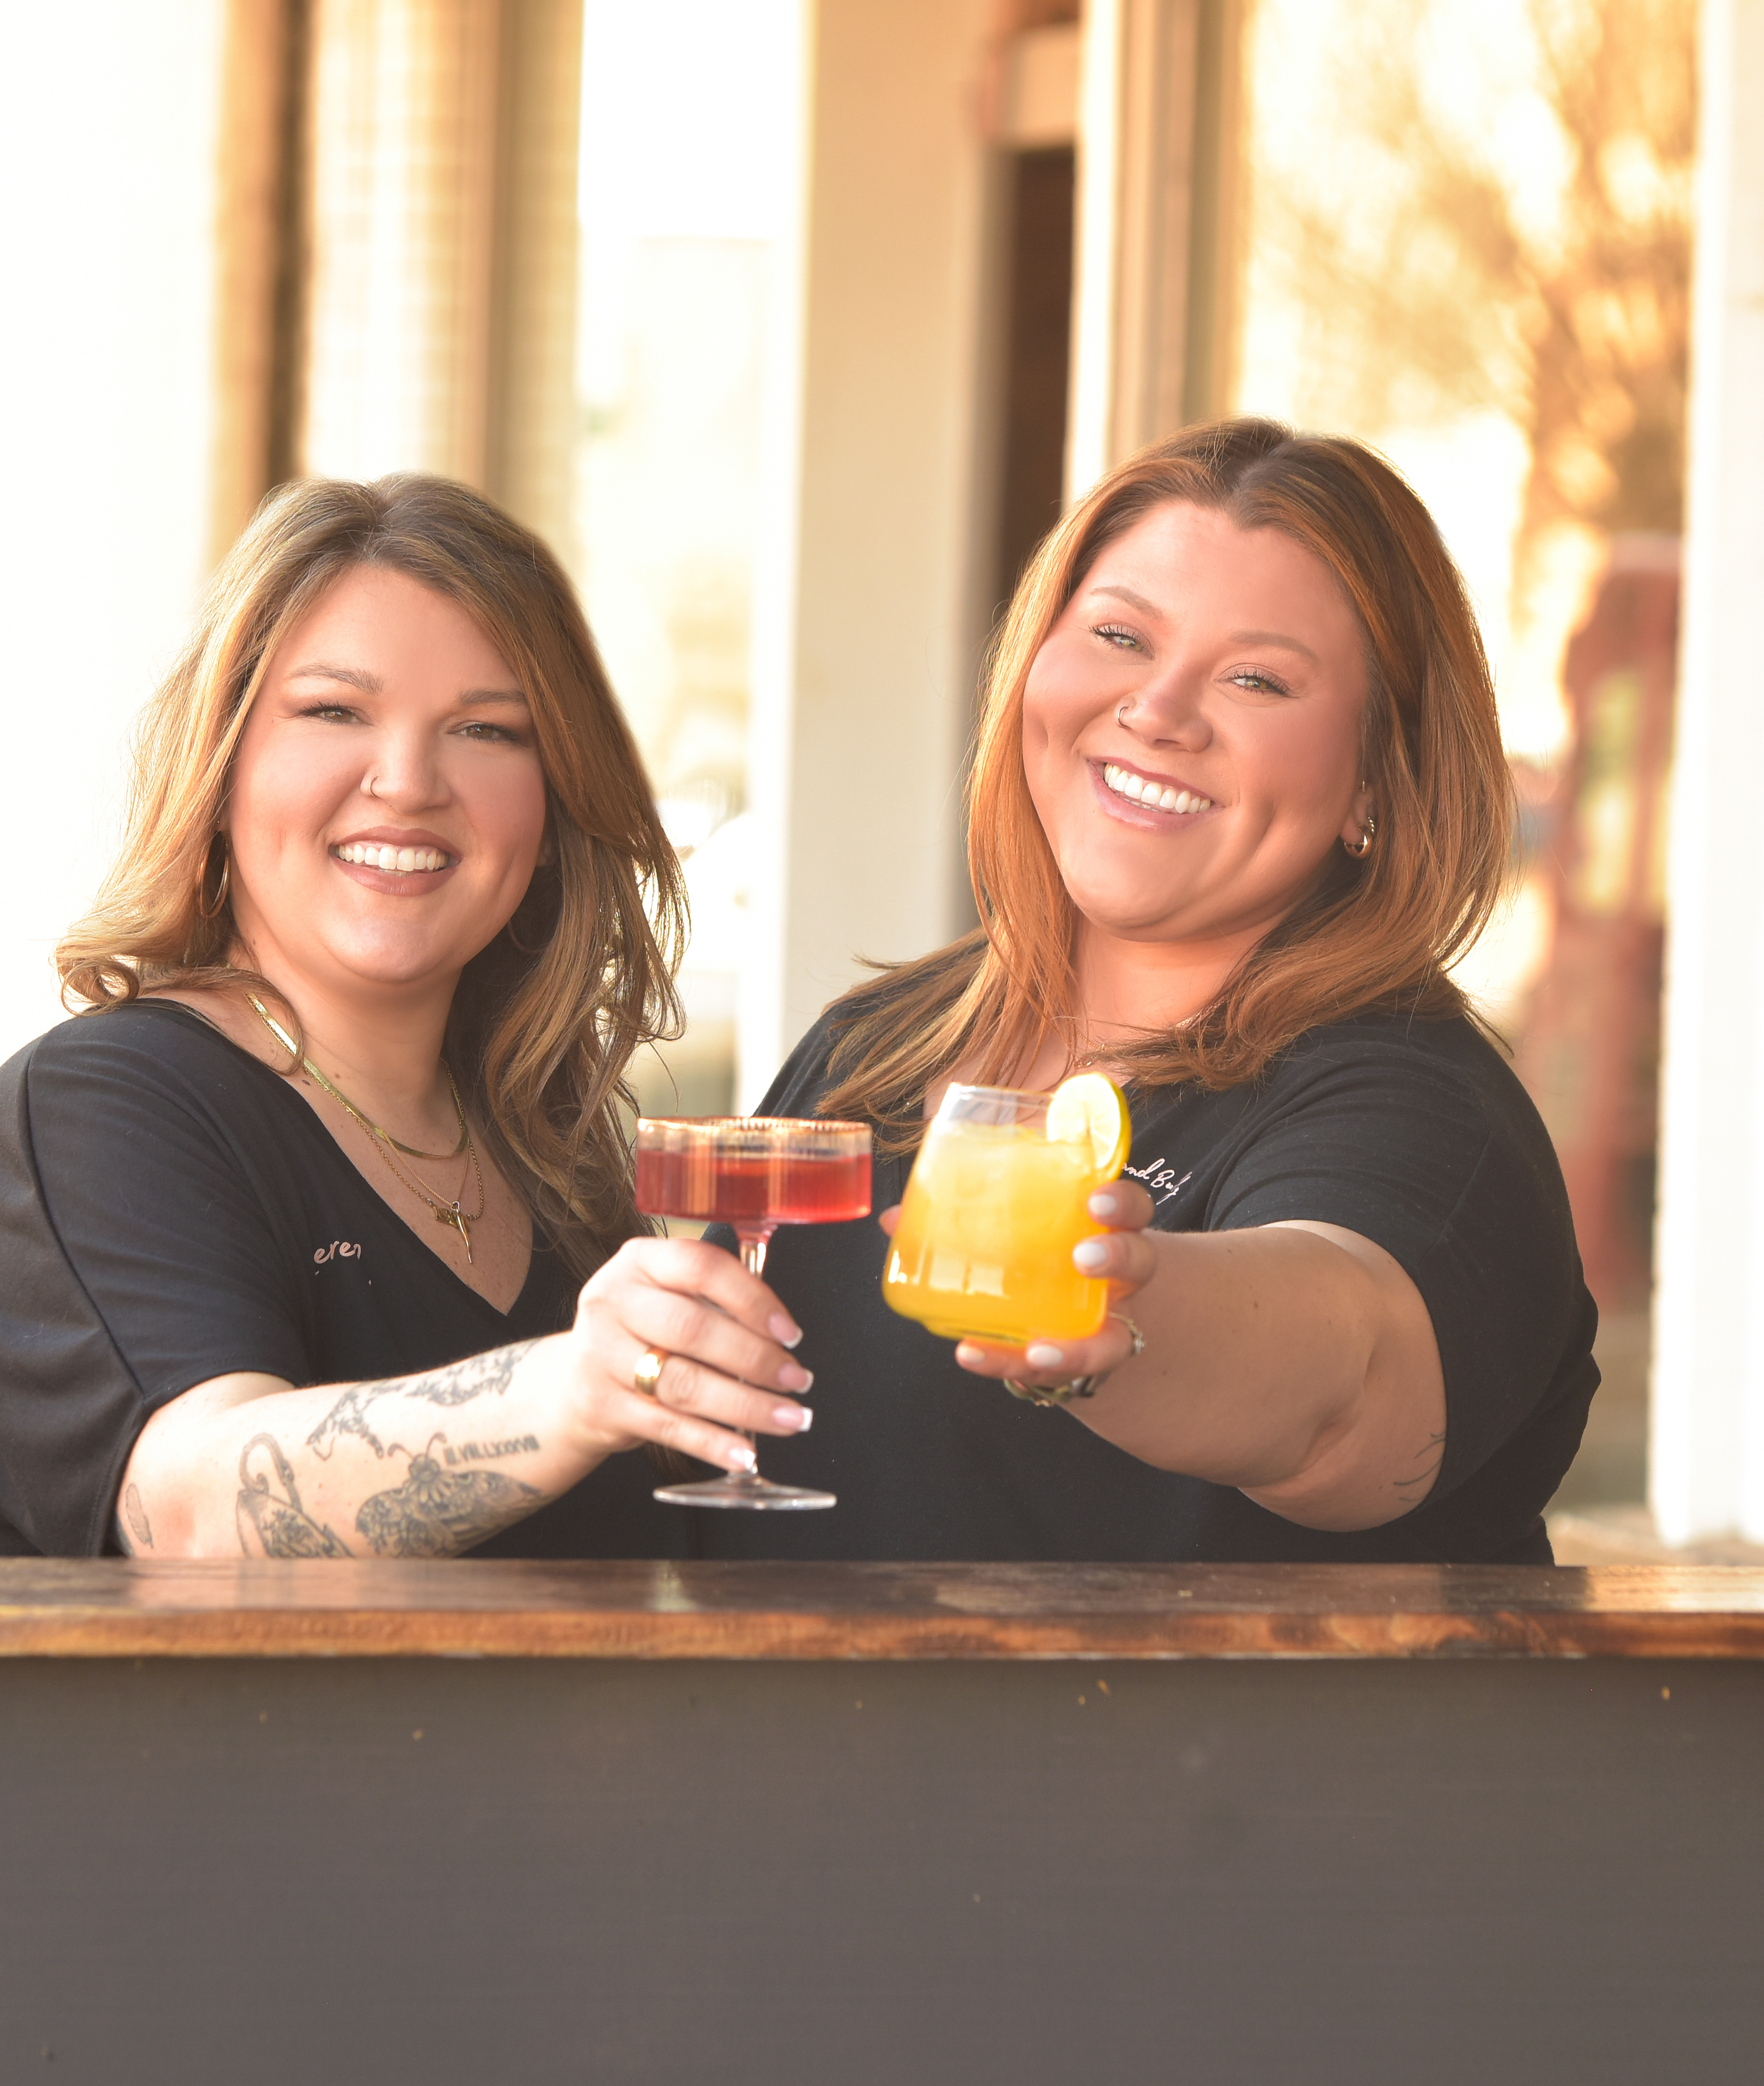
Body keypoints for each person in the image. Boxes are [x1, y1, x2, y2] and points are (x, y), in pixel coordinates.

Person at [678, 417, 1598, 1562]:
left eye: (1259, 679)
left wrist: (1125, 1313)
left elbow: (1343, 1368)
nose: (1158, 712)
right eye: (1119, 635)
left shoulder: (1420, 1113)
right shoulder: (874, 1047)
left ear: (1379, 781)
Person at [0, 474, 812, 1559]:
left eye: (487, 730)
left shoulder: (546, 1153)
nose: (407, 781)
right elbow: (195, 1511)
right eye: (333, 712)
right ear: (224, 770)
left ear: (553, 809)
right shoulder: (99, 1111)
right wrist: (570, 1391)